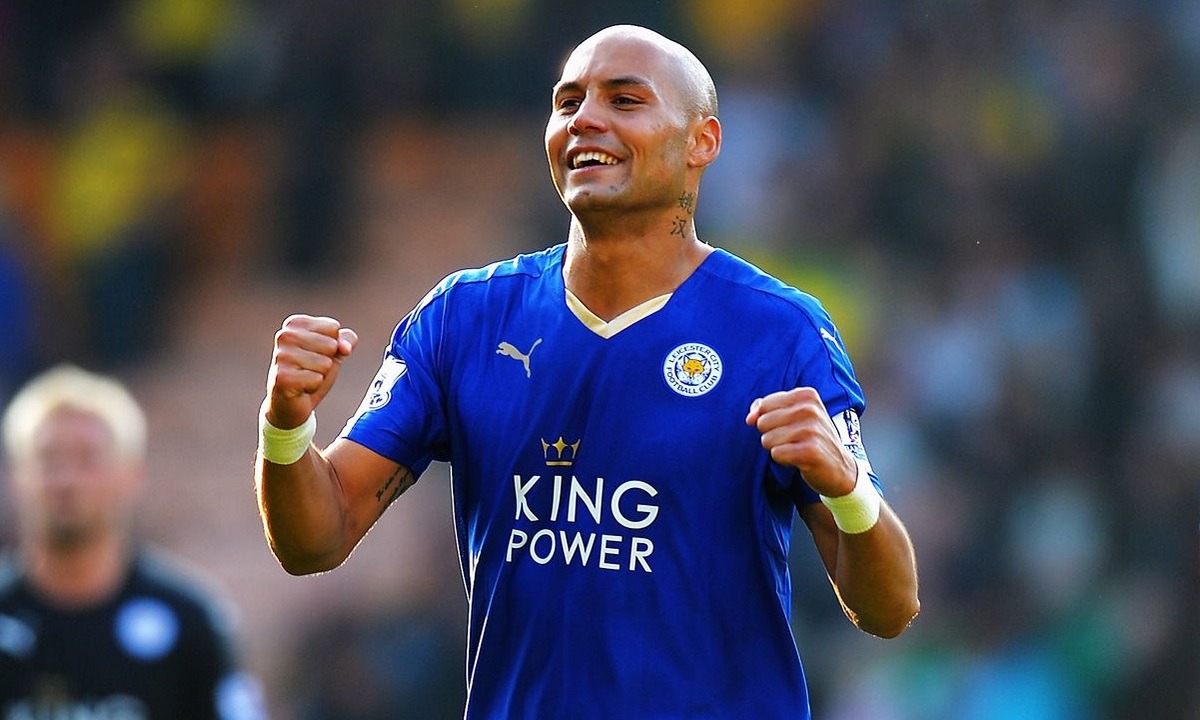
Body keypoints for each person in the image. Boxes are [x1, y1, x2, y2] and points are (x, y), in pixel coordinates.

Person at [256, 24, 919, 719]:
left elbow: (891, 607)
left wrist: (847, 489)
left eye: (624, 100)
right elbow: (317, 539)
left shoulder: (780, 334)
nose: (584, 119)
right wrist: (286, 426)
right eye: (567, 102)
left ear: (702, 142)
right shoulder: (464, 317)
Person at [0, 365, 267, 720]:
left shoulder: (189, 620)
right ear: (15, 477)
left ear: (132, 474)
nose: (65, 479)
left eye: (87, 459)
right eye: (48, 459)